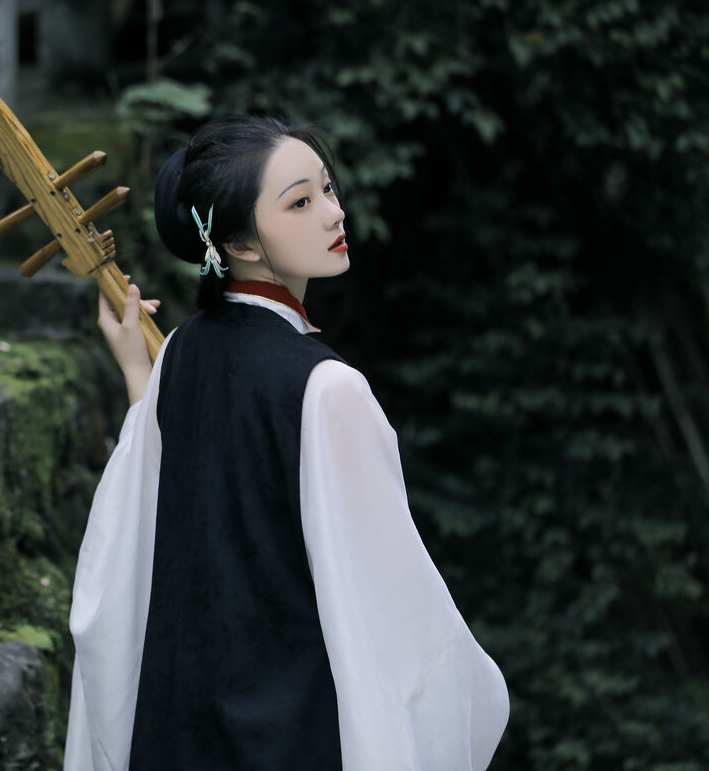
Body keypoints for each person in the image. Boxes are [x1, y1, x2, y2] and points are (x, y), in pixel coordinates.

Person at [64, 115, 509, 770]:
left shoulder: (182, 351)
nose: (334, 213)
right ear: (238, 242)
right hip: (292, 734)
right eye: (300, 202)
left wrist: (140, 370)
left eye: (327, 189)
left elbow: (152, 503)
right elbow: (392, 604)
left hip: (179, 728)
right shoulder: (328, 388)